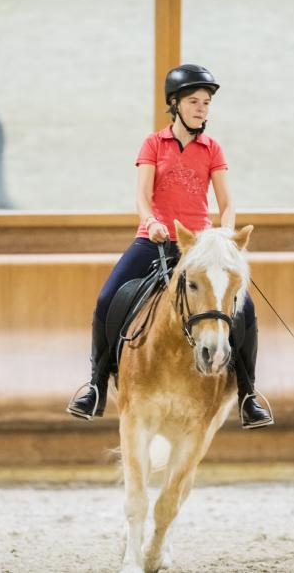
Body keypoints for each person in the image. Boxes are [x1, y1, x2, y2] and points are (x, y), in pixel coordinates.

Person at [67, 64, 273, 429]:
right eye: (194, 101)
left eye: (206, 103)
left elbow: (228, 204)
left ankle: (247, 394)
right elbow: (142, 197)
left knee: (247, 310)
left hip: (199, 247)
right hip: (155, 240)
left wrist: (224, 235)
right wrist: (151, 222)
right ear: (175, 104)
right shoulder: (153, 143)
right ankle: (96, 385)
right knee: (106, 298)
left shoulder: (213, 149)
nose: (201, 109)